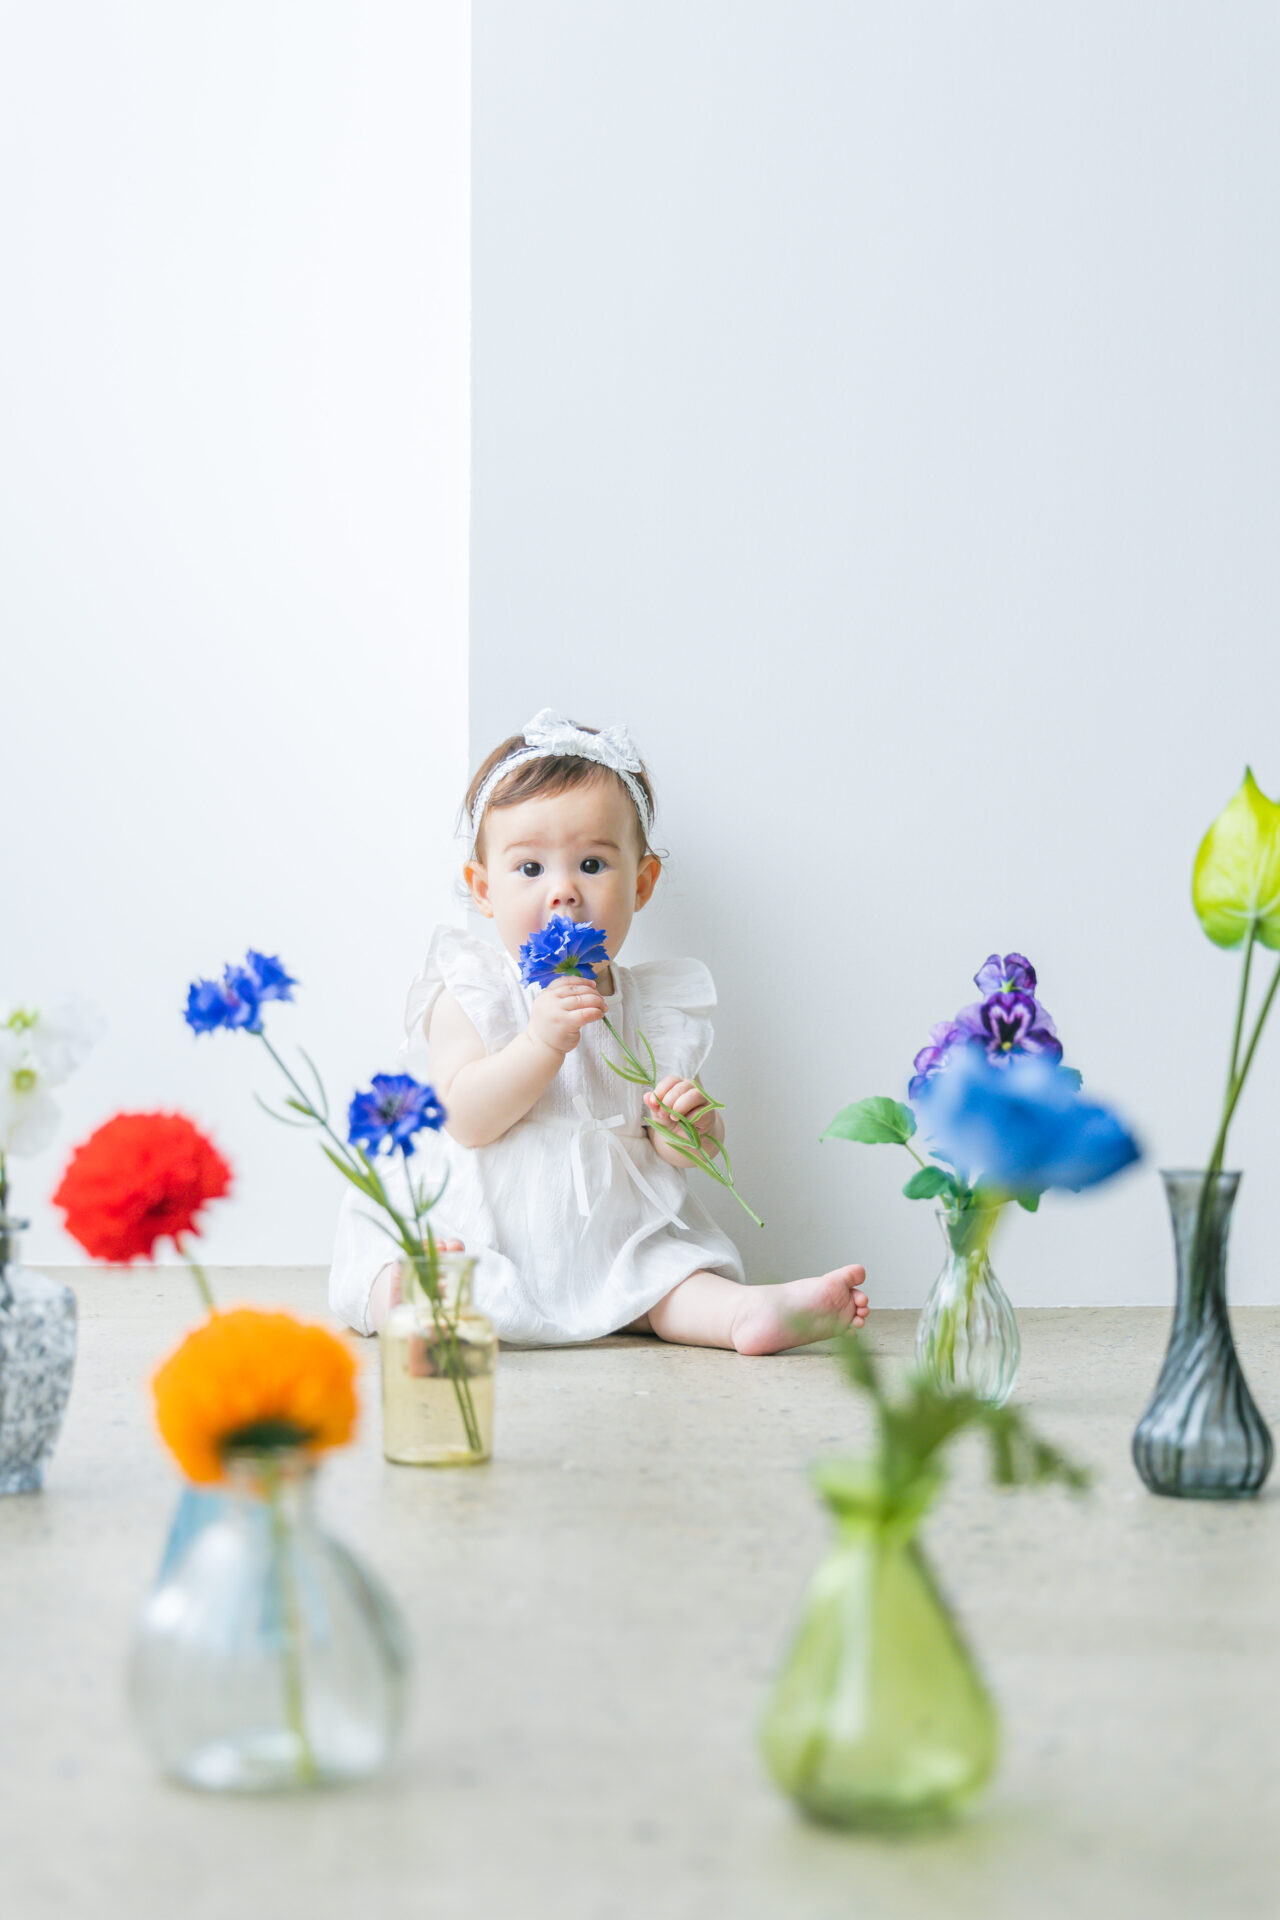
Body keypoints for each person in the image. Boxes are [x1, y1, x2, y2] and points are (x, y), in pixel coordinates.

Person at [329, 708, 869, 1351]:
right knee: (410, 1275)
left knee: (667, 1277)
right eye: (530, 869)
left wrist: (692, 1127)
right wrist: (538, 1043)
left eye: (591, 865)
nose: (563, 892)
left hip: (611, 1232)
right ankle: (422, 1298)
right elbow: (468, 1119)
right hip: (487, 1226)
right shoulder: (474, 990)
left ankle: (743, 1315)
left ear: (641, 883)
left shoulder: (653, 1005)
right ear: (483, 888)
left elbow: (678, 1149)